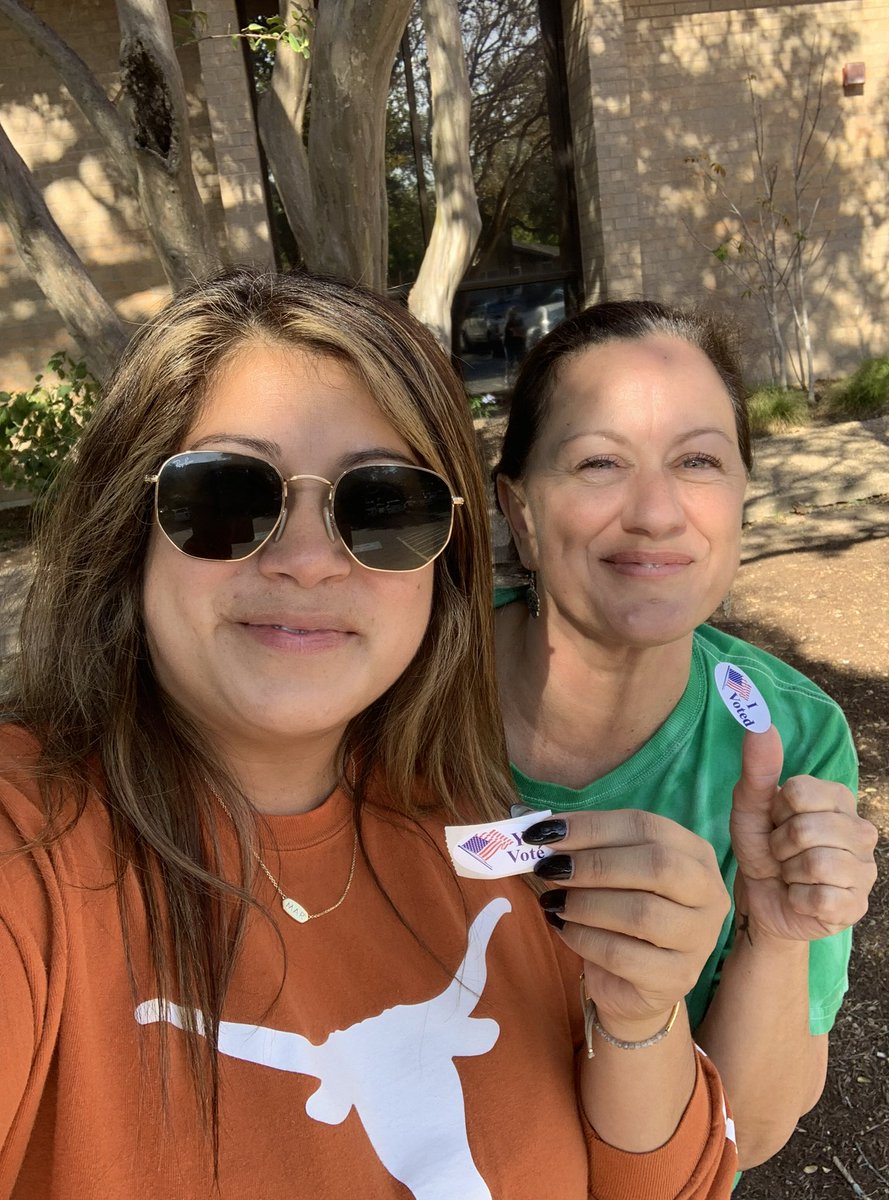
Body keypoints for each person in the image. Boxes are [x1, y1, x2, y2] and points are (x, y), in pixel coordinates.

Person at [0, 270, 739, 1199]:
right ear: (129, 525)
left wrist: (638, 1015)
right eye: (227, 495)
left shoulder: (481, 842)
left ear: (446, 562)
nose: (308, 560)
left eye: (383, 507)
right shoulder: (29, 853)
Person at [492, 300, 879, 1174]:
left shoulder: (793, 738)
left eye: (698, 461)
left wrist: (775, 932)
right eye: (600, 462)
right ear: (520, 511)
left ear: (741, 498)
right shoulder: (402, 686)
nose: (657, 513)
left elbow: (746, 1134)